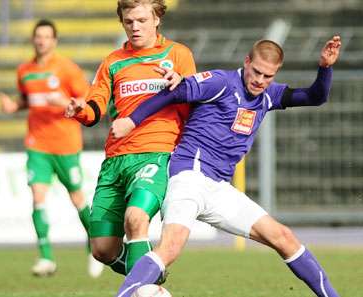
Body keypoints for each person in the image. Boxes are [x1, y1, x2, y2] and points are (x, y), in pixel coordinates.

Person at [111, 36, 342, 297]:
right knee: (170, 249)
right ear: (246, 62)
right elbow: (175, 91)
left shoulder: (269, 94)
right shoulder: (221, 82)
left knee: (283, 237)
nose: (260, 80)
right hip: (190, 175)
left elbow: (315, 97)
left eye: (268, 76)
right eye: (256, 72)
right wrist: (131, 121)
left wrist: (325, 67)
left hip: (218, 188)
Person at [65, 0, 196, 277]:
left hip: (156, 153)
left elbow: (197, 100)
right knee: (102, 249)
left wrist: (182, 85)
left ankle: (141, 289)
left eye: (141, 20)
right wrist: (81, 110)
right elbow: (95, 106)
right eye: (129, 22)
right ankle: (151, 275)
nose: (135, 27)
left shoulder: (178, 54)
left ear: (156, 18)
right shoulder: (113, 61)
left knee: (135, 218)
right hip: (116, 160)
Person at [0, 19, 103, 277]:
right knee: (37, 197)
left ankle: (97, 246)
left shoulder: (66, 69)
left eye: (46, 36)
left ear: (54, 41)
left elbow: (88, 99)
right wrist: (15, 106)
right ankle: (46, 257)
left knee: (77, 198)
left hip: (66, 144)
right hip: (37, 144)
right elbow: (28, 99)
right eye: (38, 36)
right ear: (34, 39)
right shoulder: (24, 70)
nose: (41, 40)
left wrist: (66, 100)